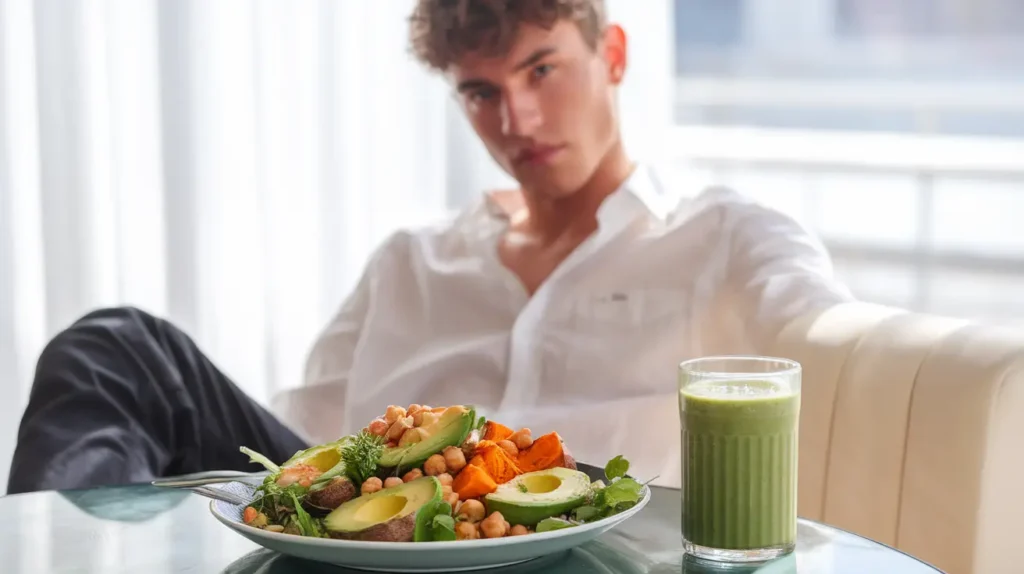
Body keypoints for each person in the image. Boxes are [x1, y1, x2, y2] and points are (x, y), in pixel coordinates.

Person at [6, 0, 851, 495]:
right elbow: (290, 450)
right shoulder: (415, 258)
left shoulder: (725, 236)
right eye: (481, 92)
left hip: (578, 539)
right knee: (114, 348)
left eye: (541, 71)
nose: (514, 121)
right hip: (367, 525)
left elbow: (839, 343)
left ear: (614, 54)